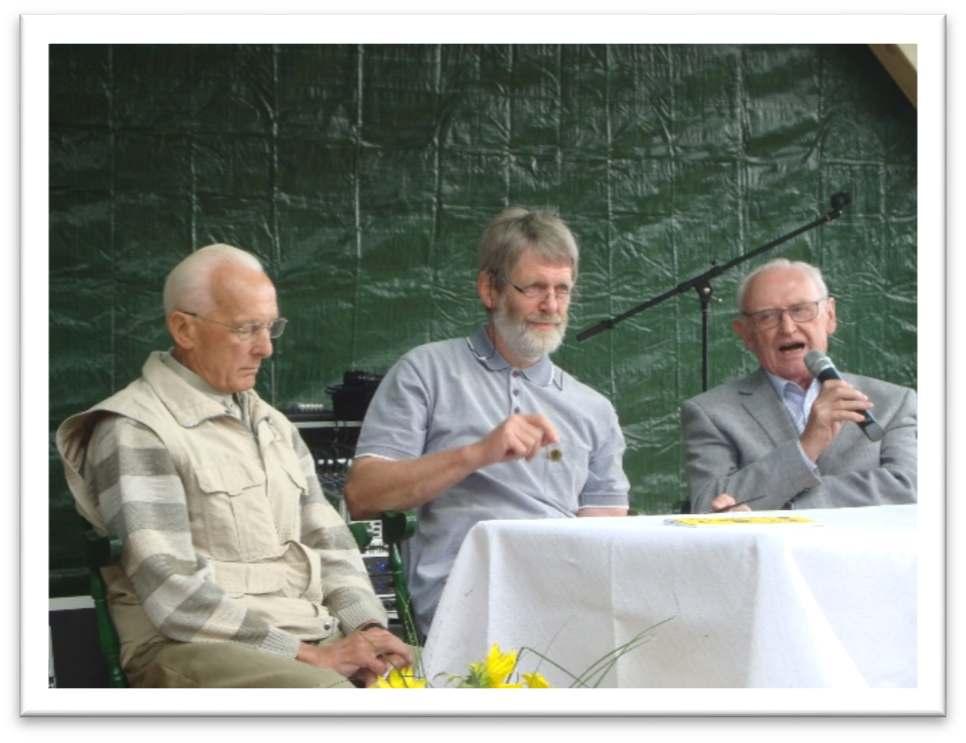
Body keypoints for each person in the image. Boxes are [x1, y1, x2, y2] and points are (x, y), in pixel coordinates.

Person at [56, 244, 411, 688]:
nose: (266, 348)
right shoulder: (135, 429)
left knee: (450, 675)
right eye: (246, 329)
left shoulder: (273, 425)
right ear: (184, 329)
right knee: (332, 699)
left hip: (309, 633)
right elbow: (174, 595)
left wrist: (366, 629)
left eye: (270, 327)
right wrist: (308, 656)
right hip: (188, 648)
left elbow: (331, 544)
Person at [344, 207, 630, 637]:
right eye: (534, 288)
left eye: (562, 290)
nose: (551, 305)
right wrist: (478, 454)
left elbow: (607, 529)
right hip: (467, 597)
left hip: (568, 598)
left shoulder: (593, 408)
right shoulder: (427, 371)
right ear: (489, 289)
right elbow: (363, 494)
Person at [681, 258, 917, 514]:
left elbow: (910, 489)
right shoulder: (711, 412)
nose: (788, 327)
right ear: (746, 333)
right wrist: (807, 446)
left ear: (830, 316)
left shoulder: (893, 401)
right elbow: (708, 505)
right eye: (767, 317)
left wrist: (788, 504)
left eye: (800, 310)